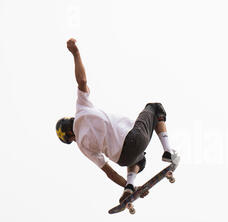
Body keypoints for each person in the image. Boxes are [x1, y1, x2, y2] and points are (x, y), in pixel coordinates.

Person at [56, 38, 177, 203]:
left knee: (140, 160)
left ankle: (129, 185)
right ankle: (169, 152)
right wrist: (75, 53)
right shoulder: (81, 109)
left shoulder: (83, 147)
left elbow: (109, 172)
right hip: (133, 139)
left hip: (123, 159)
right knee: (155, 108)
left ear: (70, 135)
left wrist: (132, 190)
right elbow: (82, 81)